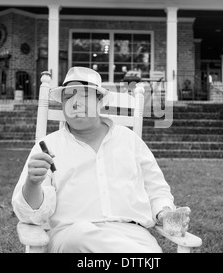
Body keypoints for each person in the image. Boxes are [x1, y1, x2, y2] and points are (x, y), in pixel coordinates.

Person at [12, 67, 190, 253]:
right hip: (71, 236)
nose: (74, 104)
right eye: (68, 98)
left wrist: (165, 213)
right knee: (82, 234)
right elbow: (29, 215)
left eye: (83, 96)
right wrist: (32, 184)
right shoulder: (47, 147)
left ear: (100, 102)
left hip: (134, 236)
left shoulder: (130, 141)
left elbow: (157, 190)